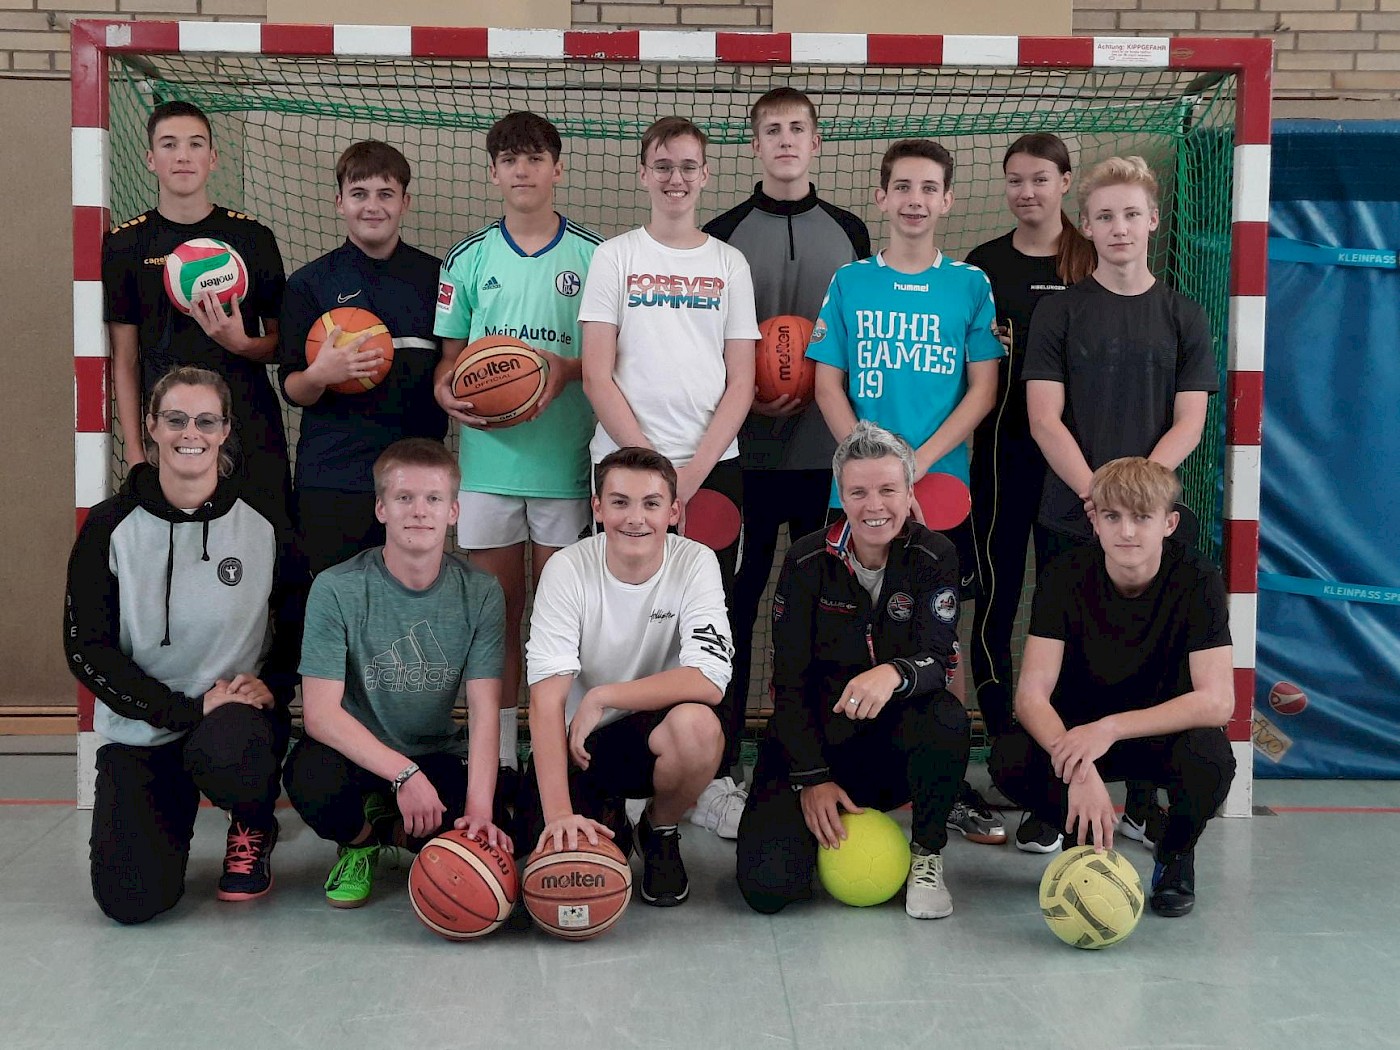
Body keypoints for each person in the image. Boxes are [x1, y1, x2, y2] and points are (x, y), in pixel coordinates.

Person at [807, 139, 1004, 845]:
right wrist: (872, 471)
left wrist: (911, 468)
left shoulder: (971, 284)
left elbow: (983, 390)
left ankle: (945, 787)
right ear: (882, 197)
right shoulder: (850, 281)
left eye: (928, 188)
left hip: (940, 489)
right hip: (860, 494)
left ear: (947, 200)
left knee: (938, 639)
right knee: (846, 631)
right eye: (903, 187)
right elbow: (827, 385)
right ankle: (844, 772)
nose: (915, 200)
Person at [1023, 155, 1218, 850]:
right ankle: (1065, 794)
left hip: (1152, 517)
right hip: (1071, 512)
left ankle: (1140, 800)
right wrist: (1095, 496)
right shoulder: (1060, 310)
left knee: (1154, 661)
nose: (1119, 227)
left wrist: (1135, 499)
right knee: (1069, 661)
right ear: (1086, 225)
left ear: (1154, 221)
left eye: (1131, 214)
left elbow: (1190, 420)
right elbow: (1044, 418)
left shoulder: (1183, 315)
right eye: (1104, 216)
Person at [697, 87, 872, 838]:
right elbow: (706, 341)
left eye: (798, 128)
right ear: (755, 144)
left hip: (825, 461)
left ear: (817, 141)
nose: (786, 140)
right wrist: (751, 388)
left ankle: (819, 761)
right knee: (730, 610)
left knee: (823, 613)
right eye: (772, 129)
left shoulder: (852, 230)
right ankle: (718, 766)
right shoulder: (721, 232)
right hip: (742, 458)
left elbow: (861, 331)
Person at [65, 366, 299, 923]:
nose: (190, 433)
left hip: (231, 722)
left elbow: (300, 611)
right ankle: (165, 816)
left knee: (235, 753)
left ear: (224, 430)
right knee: (130, 903)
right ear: (151, 427)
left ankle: (252, 819)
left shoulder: (263, 519)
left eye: (205, 421)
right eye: (175, 419)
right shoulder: (108, 526)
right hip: (146, 725)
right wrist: (181, 709)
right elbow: (87, 649)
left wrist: (275, 683)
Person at [736, 422, 970, 918]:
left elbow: (940, 659)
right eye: (859, 492)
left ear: (909, 493)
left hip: (894, 745)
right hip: (815, 743)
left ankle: (926, 854)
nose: (874, 506)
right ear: (841, 496)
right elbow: (788, 683)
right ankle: (810, 817)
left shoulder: (936, 555)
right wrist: (812, 778)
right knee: (768, 890)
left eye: (888, 490)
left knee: (947, 718)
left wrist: (892, 672)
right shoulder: (805, 560)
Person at [433, 112, 602, 787]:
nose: (522, 170)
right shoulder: (467, 259)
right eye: (509, 160)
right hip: (487, 469)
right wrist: (446, 389)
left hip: (566, 467)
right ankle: (501, 761)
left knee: (562, 625)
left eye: (535, 158)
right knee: (496, 619)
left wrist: (564, 369)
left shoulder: (595, 257)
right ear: (493, 172)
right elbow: (449, 361)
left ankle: (560, 757)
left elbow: (614, 359)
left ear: (558, 168)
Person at [987, 457, 1235, 917]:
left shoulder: (1198, 578)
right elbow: (1031, 697)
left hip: (1155, 734)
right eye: (1113, 516)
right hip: (1079, 736)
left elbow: (1218, 702)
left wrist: (1111, 728)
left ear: (1168, 524)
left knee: (1212, 760)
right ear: (1095, 522)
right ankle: (1081, 839)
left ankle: (1175, 853)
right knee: (1010, 757)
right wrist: (1079, 770)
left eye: (1142, 517)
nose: (1127, 532)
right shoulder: (1064, 576)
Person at [282, 439, 512, 909]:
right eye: (404, 497)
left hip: (435, 753)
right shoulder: (336, 587)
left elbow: (485, 710)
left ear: (453, 512)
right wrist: (404, 775)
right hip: (358, 757)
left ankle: (396, 825)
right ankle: (363, 840)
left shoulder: (481, 592)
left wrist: (478, 812)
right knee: (309, 778)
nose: (419, 511)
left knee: (509, 831)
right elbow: (320, 716)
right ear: (381, 508)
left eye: (433, 498)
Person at [520, 447, 733, 908]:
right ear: (597, 508)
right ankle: (607, 815)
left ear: (674, 511)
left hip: (651, 736)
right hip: (578, 744)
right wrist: (559, 817)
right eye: (620, 502)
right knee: (560, 877)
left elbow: (710, 679)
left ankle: (659, 828)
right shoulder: (567, 568)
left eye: (651, 503)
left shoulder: (696, 562)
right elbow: (545, 700)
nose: (635, 518)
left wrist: (604, 696)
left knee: (698, 727)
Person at [963, 133, 1095, 848]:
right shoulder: (983, 265)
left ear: (1065, 182)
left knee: (1068, 603)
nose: (1027, 192)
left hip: (1074, 464)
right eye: (1015, 180)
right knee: (997, 597)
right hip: (1001, 458)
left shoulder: (1090, 257)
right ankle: (1006, 744)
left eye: (1040, 179)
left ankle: (1068, 746)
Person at [579, 115, 759, 597]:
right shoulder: (614, 257)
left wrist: (692, 473)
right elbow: (596, 376)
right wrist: (653, 471)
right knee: (622, 605)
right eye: (662, 166)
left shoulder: (729, 263)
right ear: (643, 173)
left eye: (687, 166)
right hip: (624, 465)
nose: (675, 178)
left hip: (711, 468)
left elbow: (742, 382)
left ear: (705, 174)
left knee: (706, 606)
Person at [102, 100, 291, 525]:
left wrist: (240, 344)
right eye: (169, 144)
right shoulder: (124, 245)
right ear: (150, 159)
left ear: (213, 158)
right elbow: (125, 361)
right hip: (173, 436)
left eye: (195, 144)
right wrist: (137, 455)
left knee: (267, 549)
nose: (183, 156)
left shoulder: (253, 238)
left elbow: (284, 346)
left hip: (249, 427)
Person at [276, 140, 447, 575]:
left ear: (405, 202)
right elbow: (293, 389)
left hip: (416, 480)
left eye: (385, 194)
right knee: (335, 600)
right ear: (340, 202)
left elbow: (452, 367)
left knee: (409, 601)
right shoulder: (309, 284)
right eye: (359, 194)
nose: (373, 206)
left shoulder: (438, 279)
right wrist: (321, 373)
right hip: (334, 476)